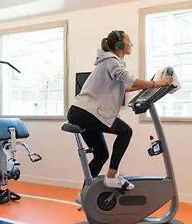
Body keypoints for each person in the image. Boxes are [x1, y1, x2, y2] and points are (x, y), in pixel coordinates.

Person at [67, 29, 173, 193]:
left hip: (80, 112)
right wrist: (158, 83)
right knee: (125, 132)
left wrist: (147, 86)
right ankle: (111, 176)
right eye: (128, 40)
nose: (131, 44)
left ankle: (86, 194)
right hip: (87, 113)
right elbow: (131, 80)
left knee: (101, 155)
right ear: (120, 44)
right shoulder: (112, 61)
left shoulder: (107, 62)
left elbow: (124, 87)